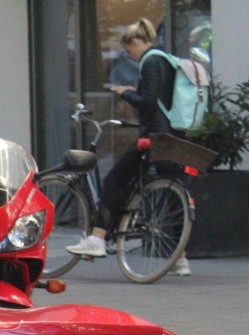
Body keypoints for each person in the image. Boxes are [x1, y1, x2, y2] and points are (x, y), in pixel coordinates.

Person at [67, 18, 191, 275]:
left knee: (114, 181)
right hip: (172, 138)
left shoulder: (151, 60)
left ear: (136, 42)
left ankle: (97, 238)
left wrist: (125, 93)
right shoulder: (168, 61)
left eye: (129, 50)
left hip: (155, 137)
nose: (129, 55)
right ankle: (180, 260)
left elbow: (149, 102)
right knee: (169, 193)